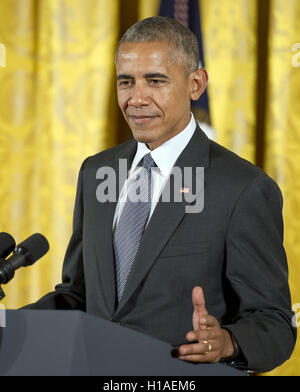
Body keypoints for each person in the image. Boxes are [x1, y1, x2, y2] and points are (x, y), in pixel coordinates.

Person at [24, 17, 296, 373]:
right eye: (126, 82)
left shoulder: (243, 188)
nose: (136, 98)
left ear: (195, 84)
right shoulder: (95, 173)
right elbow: (79, 297)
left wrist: (228, 342)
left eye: (155, 81)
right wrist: (9, 324)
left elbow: (275, 323)